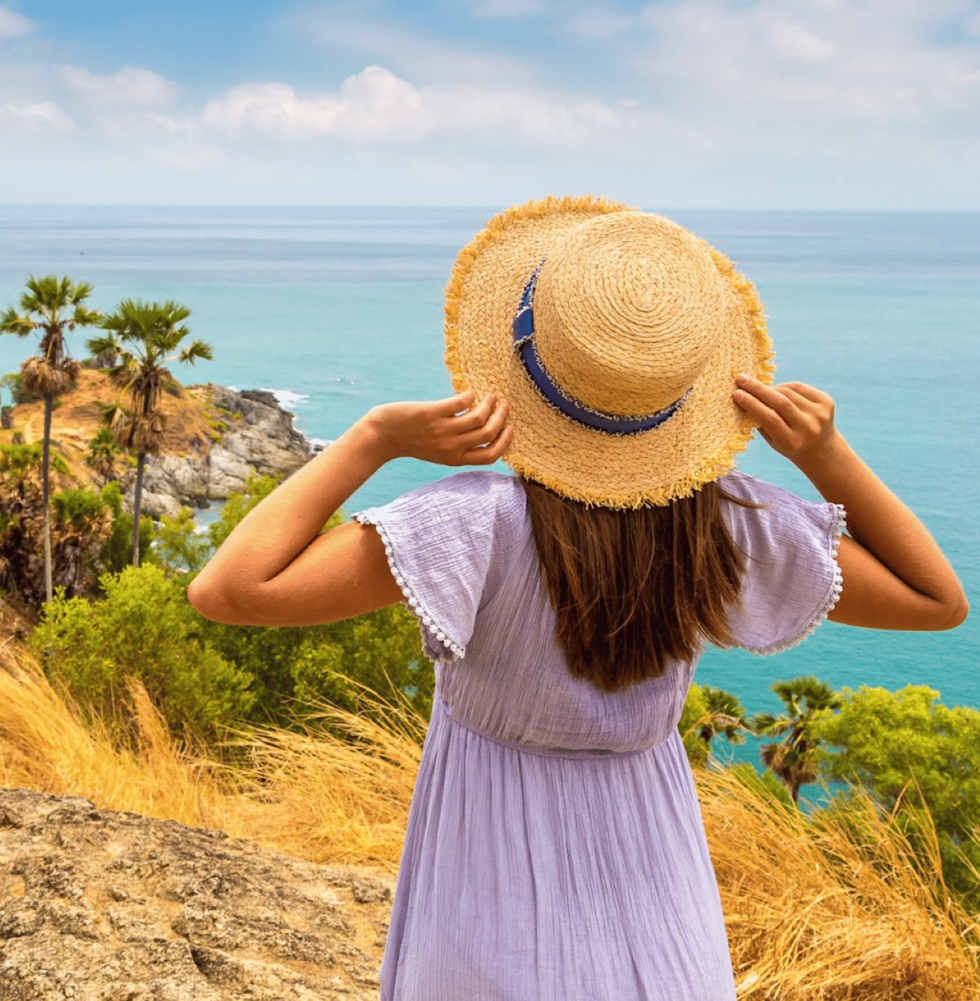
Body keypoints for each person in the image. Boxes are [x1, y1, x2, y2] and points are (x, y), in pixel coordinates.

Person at [187, 196, 968, 1000]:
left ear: (522, 360)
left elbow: (229, 589)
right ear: (683, 387)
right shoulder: (728, 527)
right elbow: (937, 599)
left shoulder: (473, 524)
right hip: (654, 871)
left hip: (483, 866)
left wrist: (374, 437)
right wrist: (829, 455)